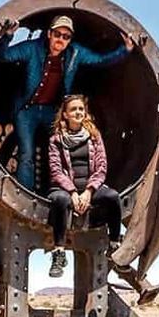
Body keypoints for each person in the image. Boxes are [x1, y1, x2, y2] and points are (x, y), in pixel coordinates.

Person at [0, 15, 135, 191]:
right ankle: (26, 193)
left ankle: (58, 193)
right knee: (26, 153)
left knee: (60, 152)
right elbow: (2, 56)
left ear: (70, 40)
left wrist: (125, 50)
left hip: (52, 111)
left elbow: (100, 60)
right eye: (57, 34)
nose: (61, 39)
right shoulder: (32, 48)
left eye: (66, 36)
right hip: (27, 110)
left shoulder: (75, 53)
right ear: (49, 34)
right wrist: (7, 36)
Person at [46, 95, 122, 278]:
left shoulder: (94, 137)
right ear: (65, 115)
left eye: (81, 109)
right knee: (60, 200)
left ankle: (114, 245)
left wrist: (89, 191)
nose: (78, 112)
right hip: (65, 188)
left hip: (89, 188)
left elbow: (101, 167)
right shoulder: (56, 140)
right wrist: (72, 192)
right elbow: (56, 170)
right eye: (73, 109)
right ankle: (59, 252)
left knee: (113, 197)